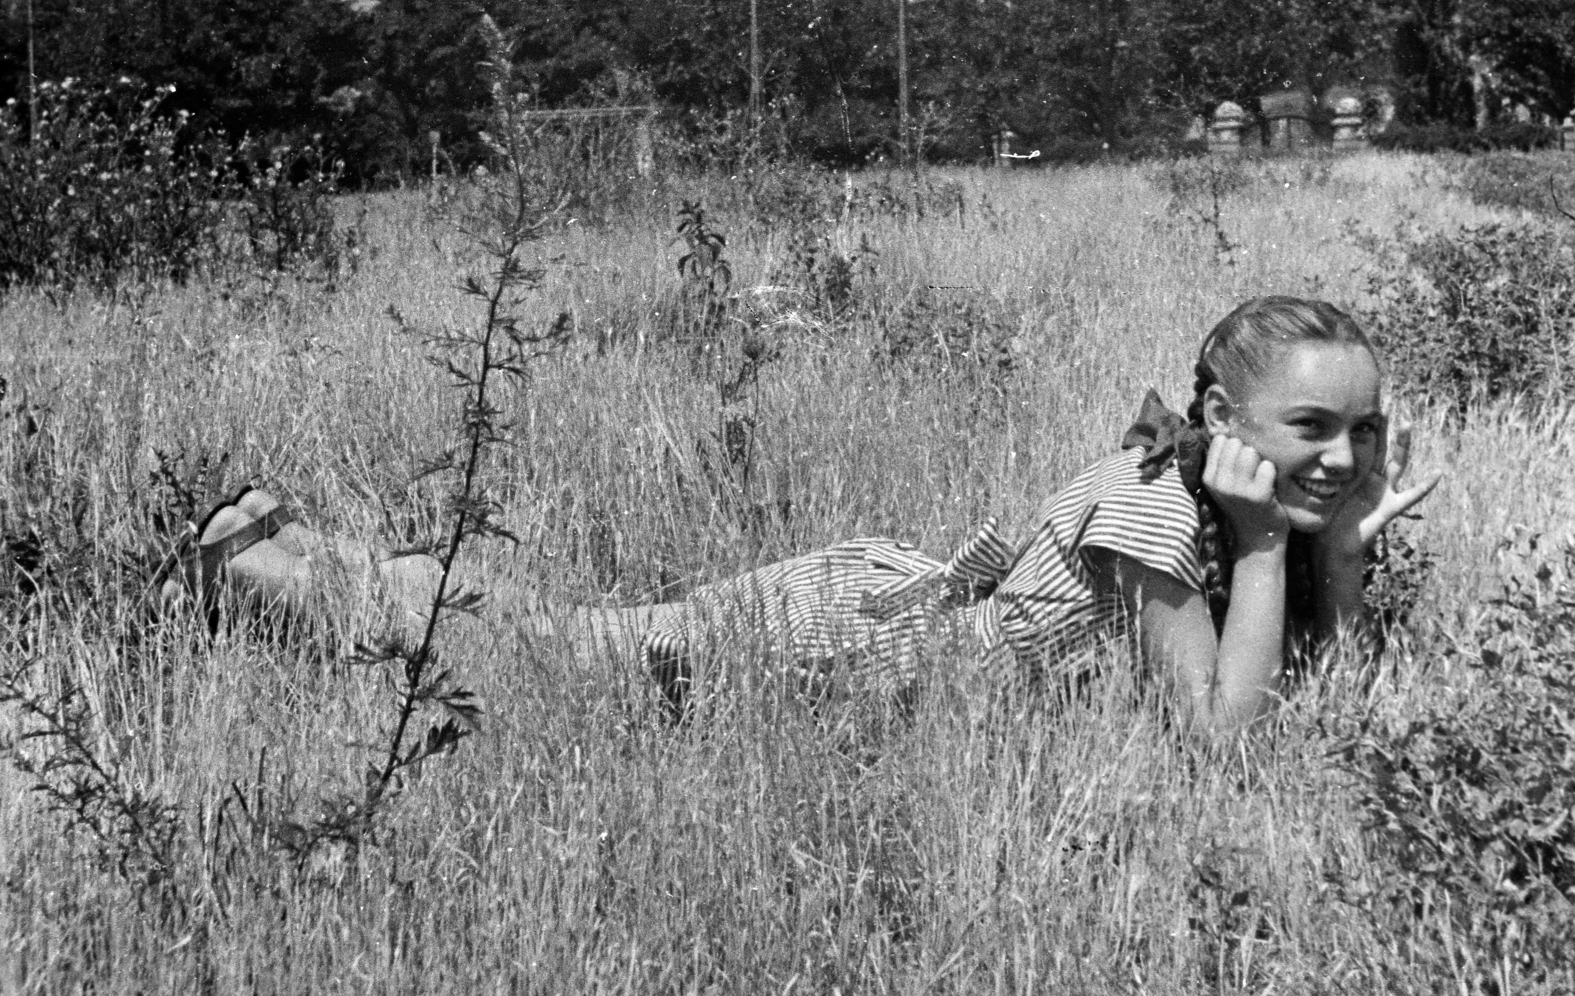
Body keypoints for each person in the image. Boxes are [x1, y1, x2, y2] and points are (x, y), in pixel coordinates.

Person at [556, 295, 1437, 731]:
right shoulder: (1155, 507)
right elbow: (1224, 737)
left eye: (1362, 429)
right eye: (1311, 426)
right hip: (861, 652)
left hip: (914, 656)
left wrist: (1339, 562)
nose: (1343, 459)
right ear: (1219, 417)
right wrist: (1263, 547)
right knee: (571, 648)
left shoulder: (1251, 502)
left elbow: (1334, 710)